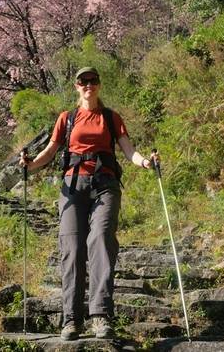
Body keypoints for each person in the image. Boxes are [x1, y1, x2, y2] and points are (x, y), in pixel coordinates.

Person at [20, 67, 156, 341]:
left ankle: (100, 315)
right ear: (76, 86)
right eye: (83, 81)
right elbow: (50, 151)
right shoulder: (67, 119)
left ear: (99, 85)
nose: (88, 85)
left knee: (101, 239)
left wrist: (145, 162)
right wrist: (31, 164)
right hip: (73, 188)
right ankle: (71, 319)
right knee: (71, 248)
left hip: (105, 186)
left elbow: (128, 150)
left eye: (93, 81)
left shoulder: (110, 117)